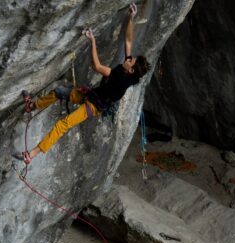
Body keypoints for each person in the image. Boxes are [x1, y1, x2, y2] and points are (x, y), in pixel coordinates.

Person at [13, 3, 150, 164]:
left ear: (131, 70)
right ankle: (32, 106)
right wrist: (131, 17)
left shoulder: (120, 78)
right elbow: (128, 41)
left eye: (130, 60)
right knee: (59, 92)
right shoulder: (130, 70)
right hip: (93, 95)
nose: (128, 59)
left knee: (62, 125)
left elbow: (97, 66)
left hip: (93, 106)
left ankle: (31, 155)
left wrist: (92, 41)